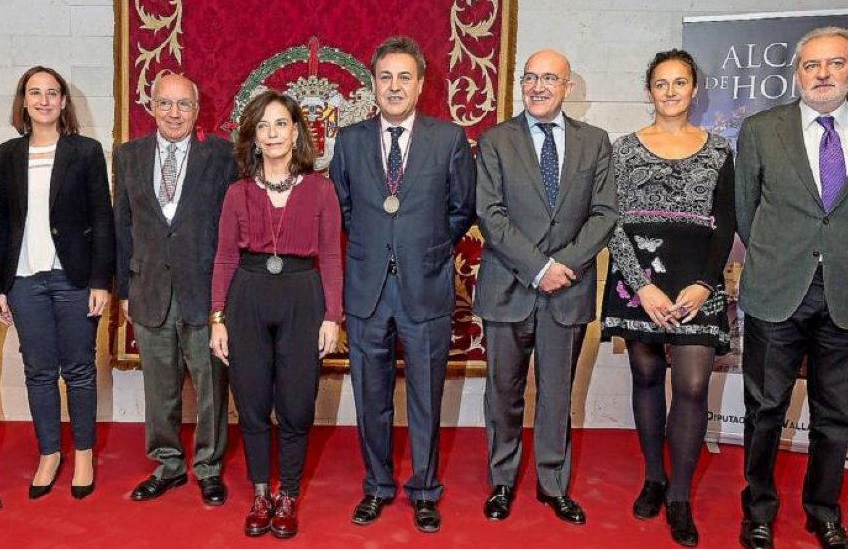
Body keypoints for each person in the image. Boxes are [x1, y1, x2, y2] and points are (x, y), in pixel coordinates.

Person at [735, 27, 848, 549]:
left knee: (836, 414)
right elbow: (746, 210)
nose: (823, 74)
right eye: (811, 65)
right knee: (766, 408)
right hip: (777, 289)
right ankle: (758, 510)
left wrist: (843, 254)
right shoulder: (762, 129)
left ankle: (823, 512)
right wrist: (781, 253)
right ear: (797, 73)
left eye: (834, 63)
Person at [329, 36, 476, 533]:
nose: (394, 86)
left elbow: (462, 209)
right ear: (373, 82)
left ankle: (425, 489)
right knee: (370, 396)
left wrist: (428, 246)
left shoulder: (448, 139)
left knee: (425, 395)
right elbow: (340, 208)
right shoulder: (349, 142)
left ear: (420, 84)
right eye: (386, 77)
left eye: (404, 77)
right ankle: (377, 486)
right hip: (368, 288)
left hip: (426, 286)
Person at [475, 48, 617, 526]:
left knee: (558, 394)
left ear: (568, 87)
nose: (537, 87)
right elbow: (490, 215)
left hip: (568, 291)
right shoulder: (495, 140)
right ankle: (501, 482)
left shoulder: (594, 142)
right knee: (503, 394)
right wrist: (538, 268)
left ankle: (553, 484)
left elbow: (605, 214)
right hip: (508, 289)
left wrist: (565, 266)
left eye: (548, 79)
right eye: (529, 78)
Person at [599, 49, 735, 546]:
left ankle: (679, 495)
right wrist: (642, 286)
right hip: (641, 277)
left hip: (699, 280)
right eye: (662, 83)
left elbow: (727, 225)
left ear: (695, 89)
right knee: (648, 373)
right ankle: (654, 476)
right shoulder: (623, 149)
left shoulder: (721, 150)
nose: (671, 91)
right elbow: (609, 221)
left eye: (680, 83)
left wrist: (704, 282)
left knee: (694, 385)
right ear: (649, 90)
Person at [209, 90, 343, 539]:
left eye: (281, 123)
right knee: (250, 403)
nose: (272, 133)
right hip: (247, 296)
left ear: (297, 131)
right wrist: (217, 319)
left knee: (296, 402)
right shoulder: (237, 193)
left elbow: (331, 256)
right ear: (254, 135)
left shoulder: (321, 190)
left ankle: (288, 493)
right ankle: (261, 493)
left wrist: (332, 316)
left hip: (302, 297)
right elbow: (225, 258)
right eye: (264, 125)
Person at [0, 66, 114, 500]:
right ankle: (49, 453)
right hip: (23, 281)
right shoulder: (6, 155)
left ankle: (82, 451)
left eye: (52, 93)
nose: (43, 100)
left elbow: (102, 217)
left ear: (63, 102)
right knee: (38, 371)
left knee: (78, 370)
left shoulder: (85, 151)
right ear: (23, 100)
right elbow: (1, 224)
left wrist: (101, 280)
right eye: (34, 92)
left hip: (74, 278)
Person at [114, 73, 237, 506]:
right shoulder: (128, 156)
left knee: (211, 389)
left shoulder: (221, 155)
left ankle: (207, 467)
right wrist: (123, 289)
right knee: (159, 390)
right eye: (165, 104)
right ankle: (167, 464)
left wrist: (225, 296)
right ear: (151, 107)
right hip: (148, 292)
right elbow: (121, 226)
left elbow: (230, 228)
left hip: (204, 297)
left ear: (197, 108)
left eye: (183, 104)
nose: (174, 113)